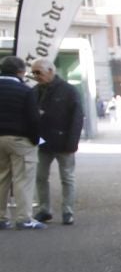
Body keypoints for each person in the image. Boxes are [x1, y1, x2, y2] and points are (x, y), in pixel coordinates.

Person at [30, 62, 82, 225]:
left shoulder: (68, 90)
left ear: (51, 71)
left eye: (38, 72)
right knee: (40, 177)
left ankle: (67, 211)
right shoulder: (35, 91)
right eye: (33, 73)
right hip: (42, 142)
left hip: (63, 141)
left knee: (67, 178)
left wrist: (72, 142)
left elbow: (77, 118)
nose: (36, 76)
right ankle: (44, 210)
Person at [0, 56, 44, 229]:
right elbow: (34, 119)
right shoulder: (25, 91)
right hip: (20, 140)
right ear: (20, 72)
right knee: (23, 179)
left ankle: (1, 218)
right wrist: (35, 140)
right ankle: (24, 218)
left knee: (2, 178)